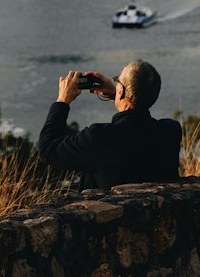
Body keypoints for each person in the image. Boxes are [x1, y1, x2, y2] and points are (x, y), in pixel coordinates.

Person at [37, 59, 181, 189]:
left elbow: (48, 149)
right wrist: (115, 93)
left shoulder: (100, 137)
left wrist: (62, 101)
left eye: (117, 80)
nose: (116, 82)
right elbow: (137, 119)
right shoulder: (170, 132)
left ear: (122, 90)